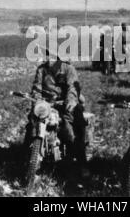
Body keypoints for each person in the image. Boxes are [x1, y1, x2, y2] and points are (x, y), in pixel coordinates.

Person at [25, 47, 88, 177]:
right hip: (46, 104)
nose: (49, 58)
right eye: (47, 55)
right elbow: (36, 88)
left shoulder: (68, 69)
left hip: (63, 104)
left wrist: (70, 100)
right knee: (31, 125)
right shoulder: (41, 70)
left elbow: (72, 88)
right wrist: (36, 100)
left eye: (52, 55)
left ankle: (82, 163)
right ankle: (28, 157)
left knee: (71, 130)